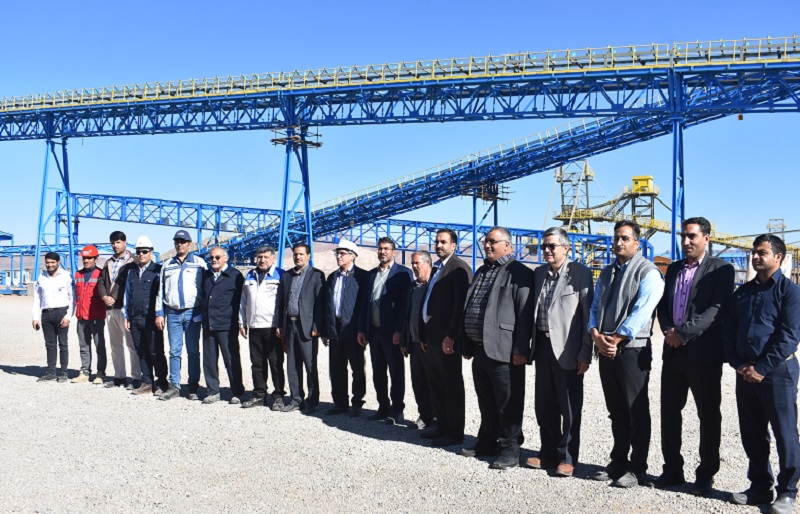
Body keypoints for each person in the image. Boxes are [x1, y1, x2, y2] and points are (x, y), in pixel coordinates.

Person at [655, 217, 734, 496]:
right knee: (669, 413)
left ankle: (706, 474)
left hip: (703, 355)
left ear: (706, 238)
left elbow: (716, 310)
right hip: (673, 352)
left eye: (692, 236)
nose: (686, 241)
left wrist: (683, 333)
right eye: (683, 236)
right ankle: (672, 469)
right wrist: (668, 331)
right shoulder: (674, 268)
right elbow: (663, 306)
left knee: (708, 415)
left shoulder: (721, 269)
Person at [723, 234, 800, 514]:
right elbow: (729, 330)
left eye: (762, 253)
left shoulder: (790, 292)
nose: (755, 257)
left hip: (778, 372)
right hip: (745, 372)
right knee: (752, 433)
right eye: (754, 252)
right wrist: (738, 364)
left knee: (784, 432)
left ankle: (787, 492)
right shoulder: (743, 293)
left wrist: (761, 368)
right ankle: (759, 487)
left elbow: (789, 336)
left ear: (778, 257)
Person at [588, 220, 664, 488]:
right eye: (616, 238)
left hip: (632, 349)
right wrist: (595, 334)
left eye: (625, 238)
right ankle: (618, 461)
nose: (618, 243)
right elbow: (595, 305)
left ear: (637, 243)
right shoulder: (607, 272)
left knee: (636, 410)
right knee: (616, 410)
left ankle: (637, 467)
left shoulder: (648, 272)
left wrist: (618, 338)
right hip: (606, 347)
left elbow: (643, 309)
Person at [460, 227, 533, 470]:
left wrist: (521, 348)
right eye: (486, 241)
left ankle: (510, 449)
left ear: (507, 246)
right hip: (480, 349)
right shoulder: (482, 271)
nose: (487, 245)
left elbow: (524, 313)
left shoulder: (519, 272)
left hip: (505, 350)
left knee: (508, 402)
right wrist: (466, 341)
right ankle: (487, 441)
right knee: (486, 400)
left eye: (493, 241)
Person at [525, 227, 594, 478]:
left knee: (569, 408)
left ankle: (567, 458)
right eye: (544, 246)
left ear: (566, 248)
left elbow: (588, 316)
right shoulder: (539, 273)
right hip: (542, 347)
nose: (546, 250)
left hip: (568, 349)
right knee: (544, 405)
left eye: (552, 246)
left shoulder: (580, 274)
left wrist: (585, 353)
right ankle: (548, 453)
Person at [419, 229, 472, 446]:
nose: (439, 245)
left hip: (446, 340)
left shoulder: (459, 268)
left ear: (454, 245)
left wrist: (451, 335)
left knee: (451, 386)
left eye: (443, 242)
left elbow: (460, 306)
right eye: (437, 242)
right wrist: (423, 334)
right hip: (431, 338)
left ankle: (454, 432)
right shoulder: (437, 269)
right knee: (437, 384)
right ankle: (441, 425)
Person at [358, 237, 413, 423]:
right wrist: (362, 329)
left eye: (386, 249)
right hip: (374, 332)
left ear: (394, 252)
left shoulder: (403, 274)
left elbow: (405, 305)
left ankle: (397, 409)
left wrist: (399, 330)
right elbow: (364, 305)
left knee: (396, 372)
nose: (383, 252)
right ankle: (383, 407)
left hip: (392, 333)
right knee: (378, 371)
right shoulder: (370, 275)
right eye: (380, 248)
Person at [155, 229, 207, 401]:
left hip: (193, 313)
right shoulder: (167, 265)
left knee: (193, 351)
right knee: (174, 351)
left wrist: (203, 312)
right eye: (177, 242)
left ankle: (193, 386)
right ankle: (174, 386)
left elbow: (206, 288)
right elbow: (161, 291)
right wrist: (160, 313)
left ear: (189, 244)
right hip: (173, 313)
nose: (179, 244)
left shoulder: (199, 263)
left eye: (183, 242)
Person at [276, 243, 325, 413]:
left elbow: (320, 304)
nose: (298, 257)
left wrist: (317, 325)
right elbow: (281, 302)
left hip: (307, 327)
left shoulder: (317, 275)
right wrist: (279, 324)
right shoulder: (287, 275)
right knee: (292, 365)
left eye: (301, 254)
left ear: (308, 256)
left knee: (310, 365)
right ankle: (296, 399)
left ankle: (312, 401)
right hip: (290, 325)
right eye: (295, 254)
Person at [322, 239, 369, 417]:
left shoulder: (362, 277)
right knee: (336, 368)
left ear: (352, 256)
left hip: (353, 330)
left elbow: (364, 306)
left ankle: (357, 402)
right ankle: (340, 403)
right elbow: (327, 305)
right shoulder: (332, 277)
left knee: (357, 368)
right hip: (335, 329)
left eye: (342, 253)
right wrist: (326, 330)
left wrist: (362, 329)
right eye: (337, 253)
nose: (338, 256)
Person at [239, 246, 285, 411]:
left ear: (273, 258)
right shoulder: (250, 275)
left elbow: (283, 303)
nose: (262, 260)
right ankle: (259, 395)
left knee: (275, 363)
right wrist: (242, 322)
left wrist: (281, 324)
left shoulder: (280, 275)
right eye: (259, 257)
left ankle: (278, 396)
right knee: (257, 364)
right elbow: (243, 301)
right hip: (254, 327)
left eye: (266, 257)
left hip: (272, 328)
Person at [123, 236, 169, 396]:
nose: (141, 254)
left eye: (144, 251)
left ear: (151, 252)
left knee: (156, 351)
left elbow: (162, 294)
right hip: (135, 317)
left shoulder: (158, 270)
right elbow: (127, 295)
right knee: (141, 351)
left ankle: (162, 382)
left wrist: (160, 314)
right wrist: (127, 316)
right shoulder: (132, 272)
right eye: (138, 252)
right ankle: (147, 382)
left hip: (152, 318)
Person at [200, 247, 245, 405]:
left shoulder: (235, 275)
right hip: (209, 324)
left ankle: (237, 392)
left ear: (225, 258)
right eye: (211, 257)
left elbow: (242, 300)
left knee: (231, 359)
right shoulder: (206, 276)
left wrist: (242, 322)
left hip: (227, 324)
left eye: (217, 257)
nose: (214, 260)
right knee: (209, 360)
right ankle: (213, 391)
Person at [399, 250, 436, 430]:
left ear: (427, 263)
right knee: (418, 382)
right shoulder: (412, 287)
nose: (414, 266)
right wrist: (404, 340)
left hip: (428, 343)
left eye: (417, 263)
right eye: (412, 263)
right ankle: (424, 415)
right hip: (414, 343)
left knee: (433, 381)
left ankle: (437, 417)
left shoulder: (434, 286)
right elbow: (406, 315)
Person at [97, 230, 139, 388]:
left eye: (118, 242)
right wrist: (104, 297)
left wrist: (117, 298)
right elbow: (101, 282)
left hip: (125, 309)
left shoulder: (133, 262)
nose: (115, 245)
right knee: (115, 345)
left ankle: (136, 378)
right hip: (110, 309)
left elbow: (133, 285)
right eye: (113, 243)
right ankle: (119, 376)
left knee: (132, 345)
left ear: (125, 242)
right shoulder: (108, 262)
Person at [31, 252, 73, 383]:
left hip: (61, 312)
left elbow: (73, 298)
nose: (50, 265)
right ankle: (51, 372)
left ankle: (64, 372)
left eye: (52, 262)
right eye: (47, 262)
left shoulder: (66, 276)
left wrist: (68, 316)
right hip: (46, 314)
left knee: (63, 344)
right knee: (50, 345)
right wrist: (35, 317)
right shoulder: (41, 277)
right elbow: (37, 298)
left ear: (58, 262)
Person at [72, 245, 107, 384]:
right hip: (81, 316)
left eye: (89, 258)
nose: (86, 261)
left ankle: (100, 373)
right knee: (83, 346)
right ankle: (85, 372)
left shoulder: (101, 274)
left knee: (99, 346)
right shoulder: (78, 274)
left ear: (96, 259)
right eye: (84, 258)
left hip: (96, 316)